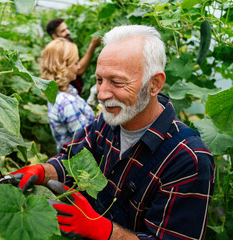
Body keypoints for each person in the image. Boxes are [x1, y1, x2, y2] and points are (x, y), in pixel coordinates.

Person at [11, 25, 215, 239]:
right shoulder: (109, 120)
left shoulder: (189, 159)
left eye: (116, 82)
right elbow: (71, 163)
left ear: (154, 84)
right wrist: (41, 172)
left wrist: (103, 230)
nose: (102, 94)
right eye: (99, 80)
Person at [40, 38, 95, 152]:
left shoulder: (60, 93)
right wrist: (103, 114)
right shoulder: (66, 102)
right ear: (63, 66)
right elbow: (87, 142)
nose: (78, 67)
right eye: (75, 63)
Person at [46, 18, 101, 95]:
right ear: (54, 36)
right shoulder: (58, 50)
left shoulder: (66, 45)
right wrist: (92, 45)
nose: (67, 32)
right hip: (67, 93)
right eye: (63, 31)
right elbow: (79, 70)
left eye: (66, 29)